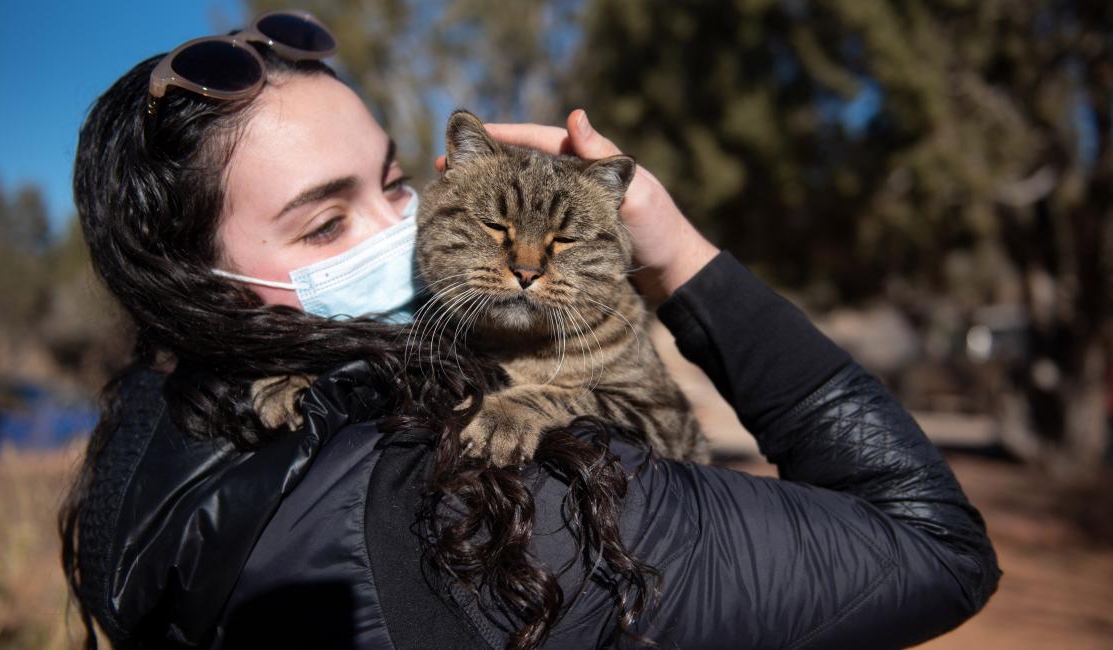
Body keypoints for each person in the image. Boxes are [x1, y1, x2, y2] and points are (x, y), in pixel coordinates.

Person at [59, 10, 1000, 650]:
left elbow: (662, 425)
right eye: (325, 223)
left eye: (396, 183)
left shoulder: (147, 454)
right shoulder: (518, 515)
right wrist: (684, 259)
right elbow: (939, 552)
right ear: (197, 285)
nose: (399, 230)